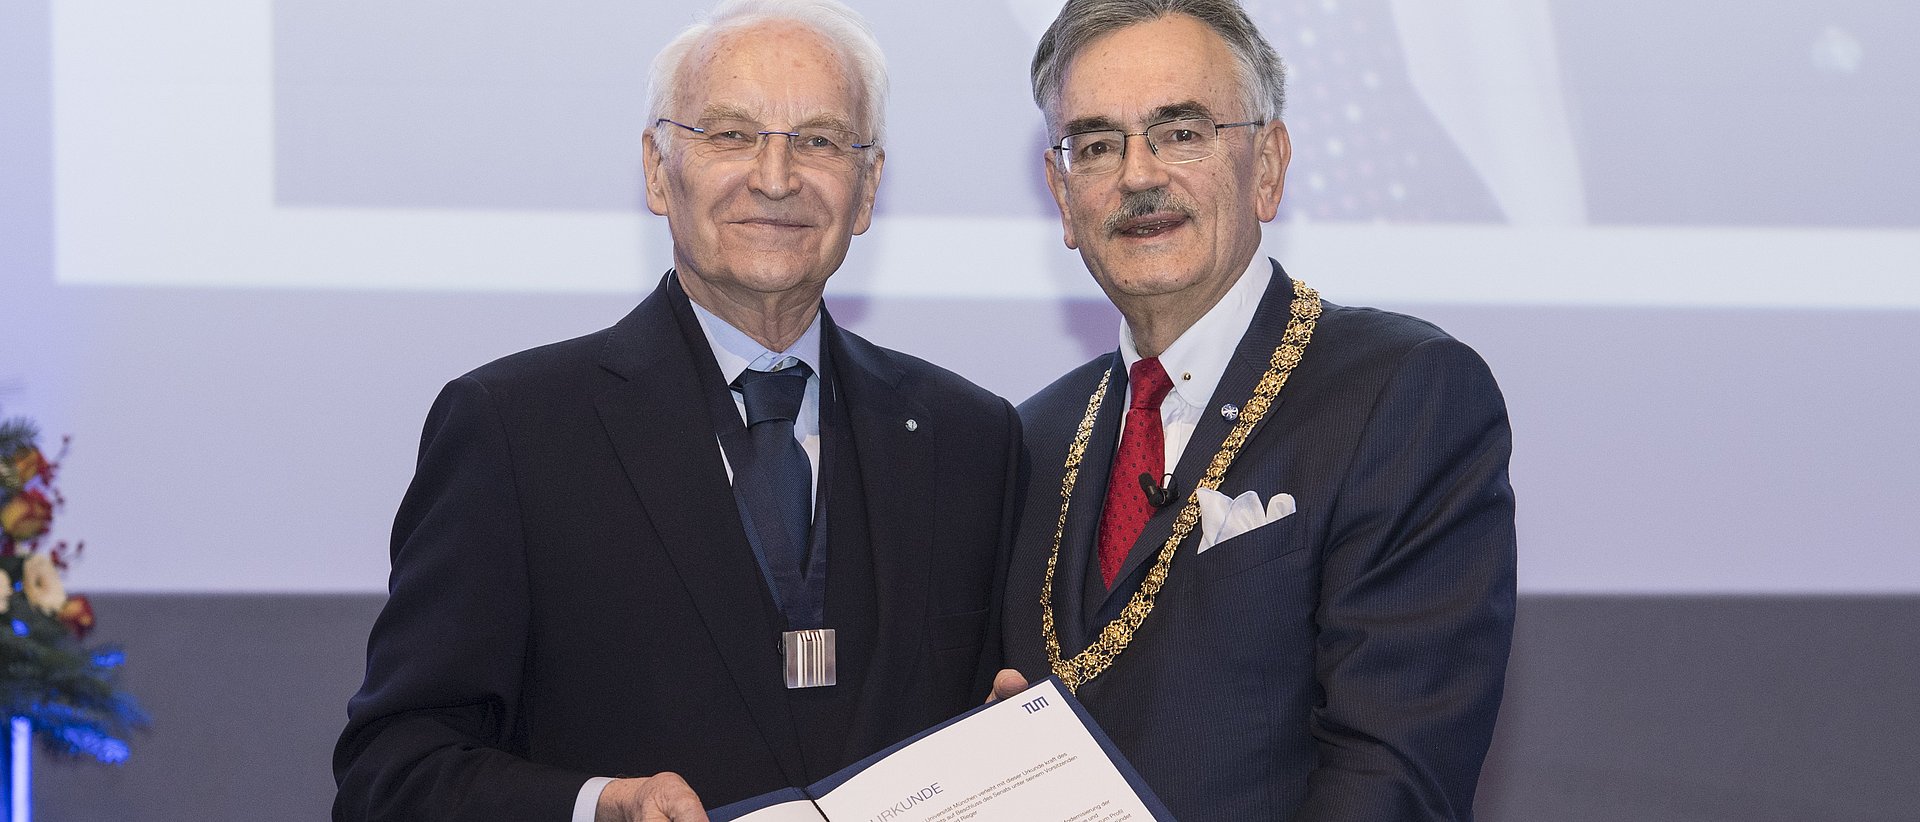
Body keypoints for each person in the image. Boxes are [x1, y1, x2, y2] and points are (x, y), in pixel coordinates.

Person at [333, 2, 1020, 820]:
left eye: (820, 141)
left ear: (867, 188)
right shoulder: (513, 432)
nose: (776, 177)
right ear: (659, 172)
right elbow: (393, 772)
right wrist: (598, 805)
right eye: (731, 134)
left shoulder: (970, 439)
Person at [996, 1, 1517, 819]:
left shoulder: (1402, 393)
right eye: (1096, 146)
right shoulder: (1029, 441)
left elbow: (1394, 779)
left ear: (1267, 167)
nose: (1138, 175)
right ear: (1063, 197)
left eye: (1182, 133)